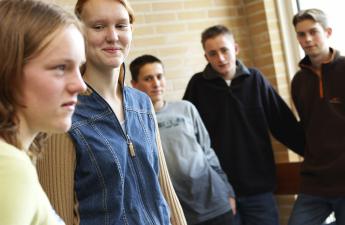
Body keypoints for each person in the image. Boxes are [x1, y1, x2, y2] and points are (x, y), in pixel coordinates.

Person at [36, 0, 187, 225]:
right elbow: (58, 214)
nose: (112, 36)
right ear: (78, 33)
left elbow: (163, 187)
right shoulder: (63, 111)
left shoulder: (142, 103)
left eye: (121, 26)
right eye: (98, 27)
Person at [183, 25, 305, 225]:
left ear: (236, 49)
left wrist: (313, 154)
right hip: (220, 191)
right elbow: (188, 137)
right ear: (206, 57)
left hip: (259, 189)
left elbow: (284, 124)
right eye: (213, 53)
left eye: (224, 50)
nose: (220, 58)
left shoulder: (255, 80)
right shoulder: (198, 85)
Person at [0, 0, 87, 224]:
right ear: (8, 70)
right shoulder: (8, 166)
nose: (81, 85)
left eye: (80, 68)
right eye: (60, 68)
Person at [130, 54, 236, 225]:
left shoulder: (186, 108)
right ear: (134, 84)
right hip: (178, 212)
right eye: (148, 79)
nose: (156, 83)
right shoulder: (134, 124)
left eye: (159, 76)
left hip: (215, 201)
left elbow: (207, 152)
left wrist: (228, 191)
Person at [288, 8, 345, 225]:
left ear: (328, 32)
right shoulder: (299, 81)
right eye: (301, 34)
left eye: (313, 32)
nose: (307, 39)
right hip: (315, 182)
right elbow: (308, 128)